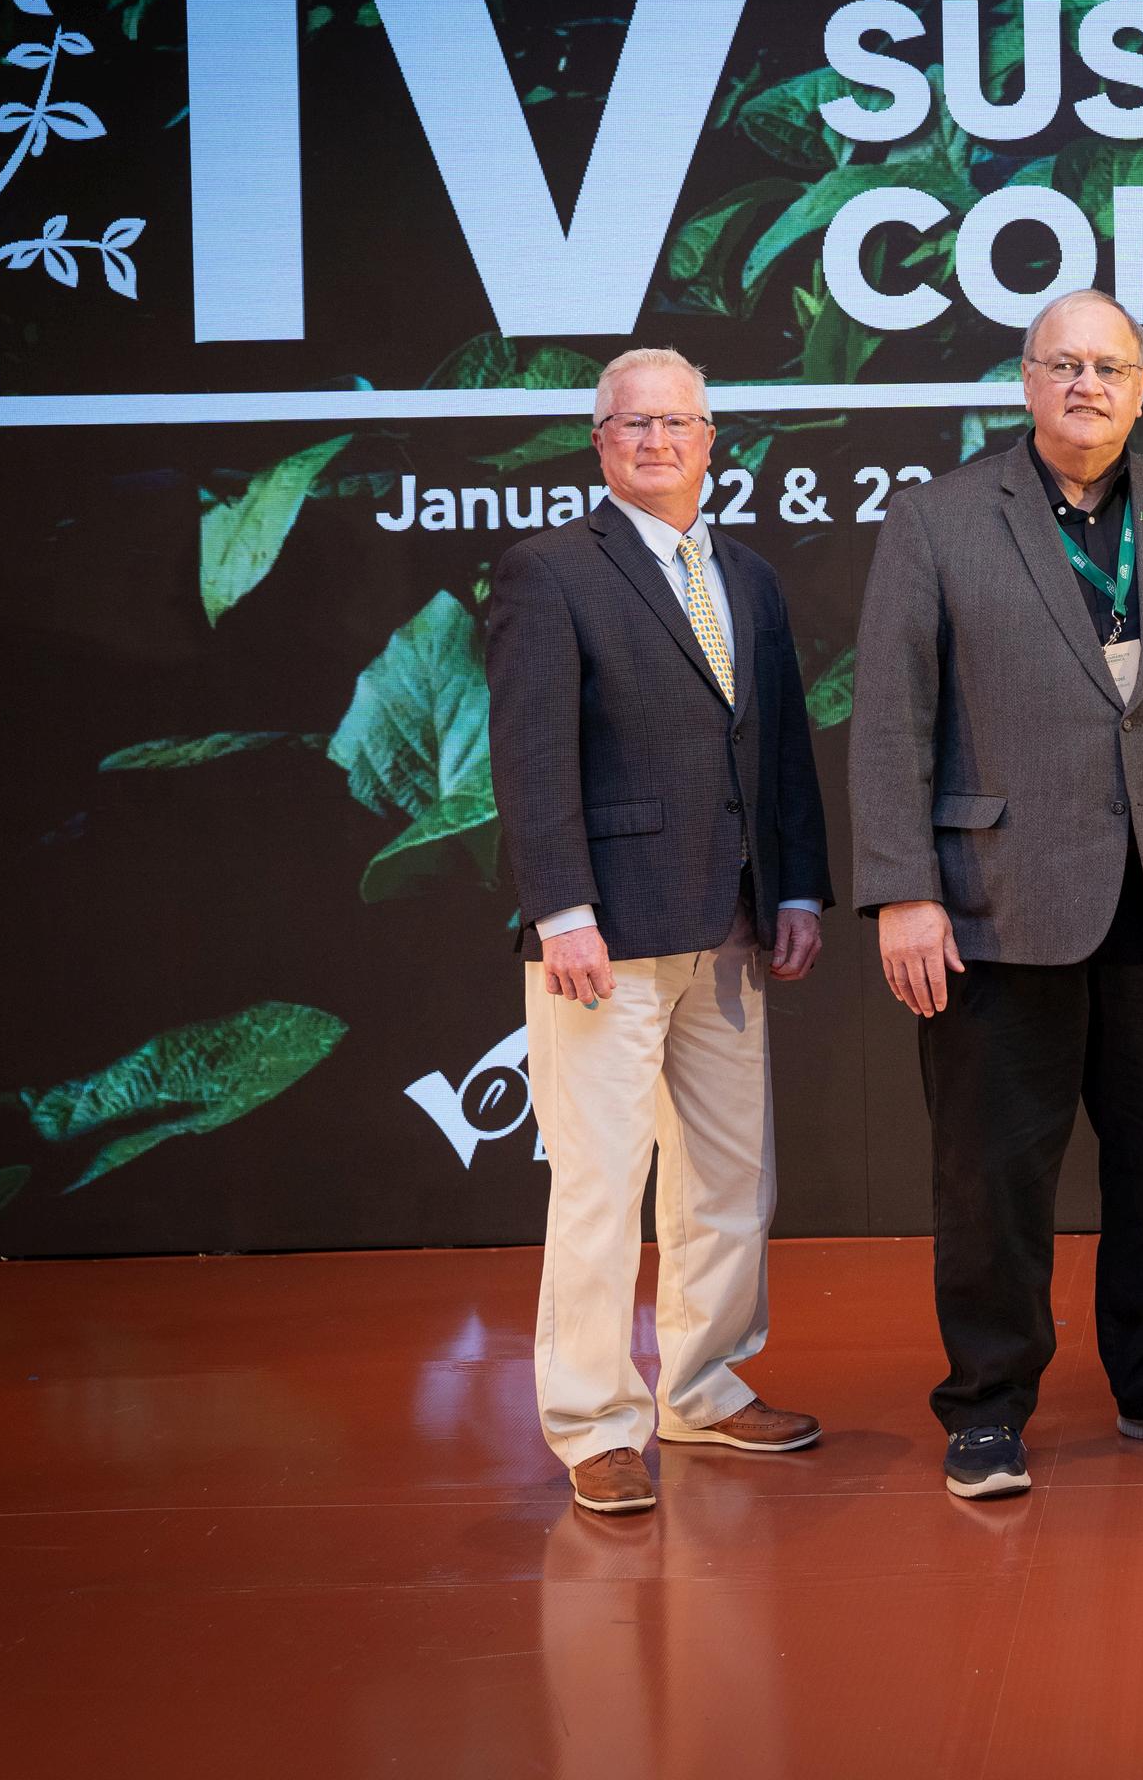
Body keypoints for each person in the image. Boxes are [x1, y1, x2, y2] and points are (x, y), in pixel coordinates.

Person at [848, 288, 1143, 1500]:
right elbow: (890, 719)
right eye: (1063, 364)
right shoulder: (940, 517)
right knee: (991, 1174)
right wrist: (902, 890)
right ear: (1026, 379)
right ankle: (988, 1401)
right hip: (995, 902)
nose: (1086, 384)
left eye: (1109, 366)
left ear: (1142, 386)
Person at [486, 346, 836, 1516]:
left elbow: (779, 746)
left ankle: (703, 1385)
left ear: (710, 440)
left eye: (676, 421)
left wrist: (797, 889)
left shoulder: (749, 576)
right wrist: (562, 912)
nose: (655, 439)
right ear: (599, 444)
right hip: (608, 933)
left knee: (730, 1177)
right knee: (600, 1187)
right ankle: (594, 1422)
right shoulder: (549, 571)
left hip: (733, 923)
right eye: (630, 423)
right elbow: (531, 756)